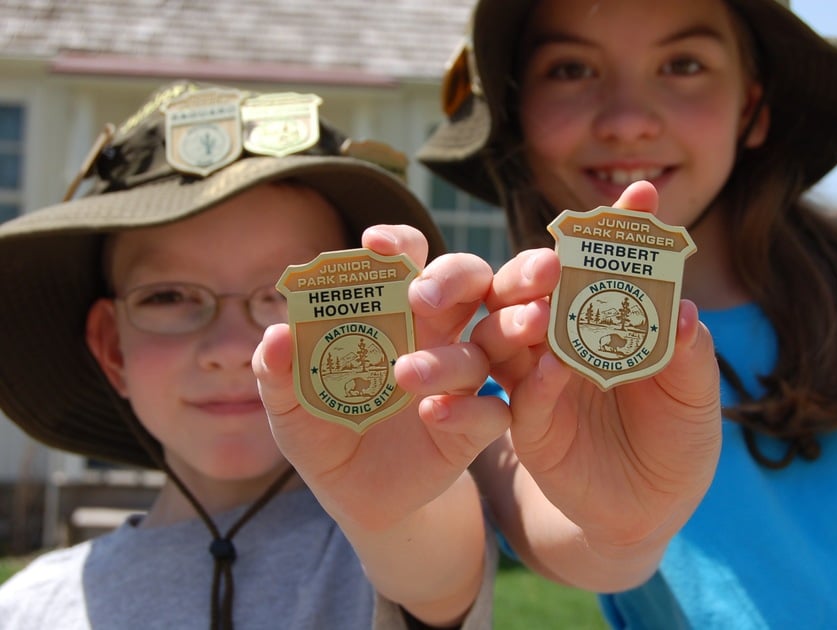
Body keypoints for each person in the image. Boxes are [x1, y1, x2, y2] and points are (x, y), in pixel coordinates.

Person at [419, 0, 837, 627]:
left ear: (751, 109)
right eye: (569, 69)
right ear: (517, 119)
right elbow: (584, 542)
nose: (627, 121)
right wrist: (622, 529)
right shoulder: (506, 361)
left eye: (683, 63)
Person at [0, 81, 503, 629]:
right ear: (112, 349)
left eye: (289, 295)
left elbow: (428, 552)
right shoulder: (30, 608)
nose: (234, 350)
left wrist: (398, 511)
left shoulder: (385, 543)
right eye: (168, 296)